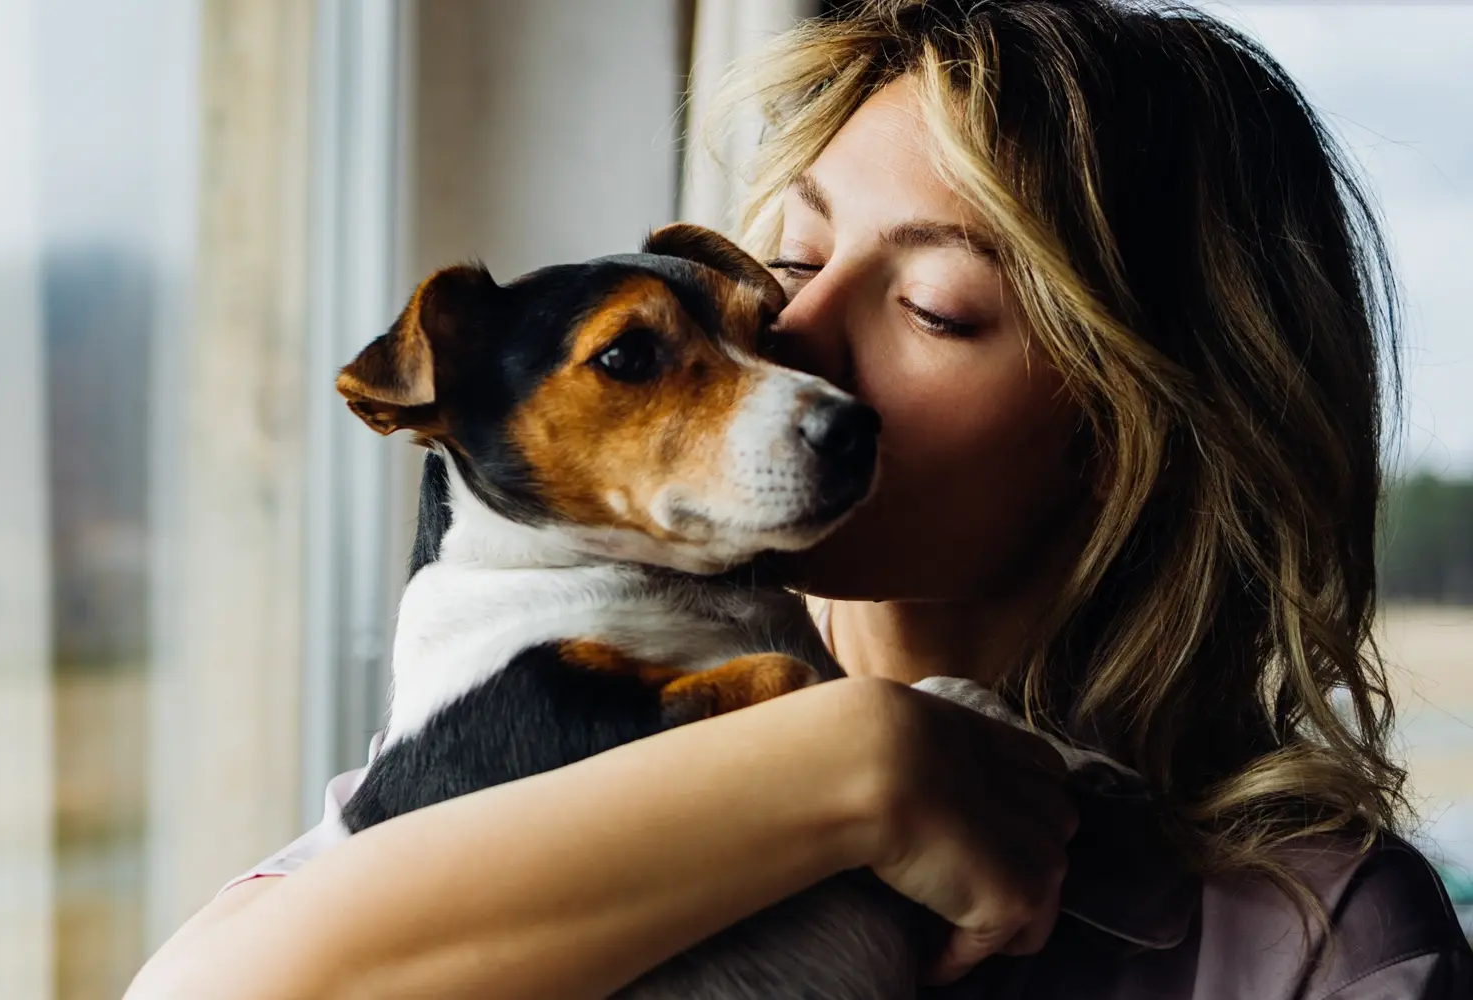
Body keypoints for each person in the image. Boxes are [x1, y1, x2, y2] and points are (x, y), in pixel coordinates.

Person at [125, 1, 1473, 997]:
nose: (794, 343)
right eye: (787, 258)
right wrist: (853, 766)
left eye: (936, 309)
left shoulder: (1308, 939)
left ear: (1135, 432)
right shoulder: (534, 740)